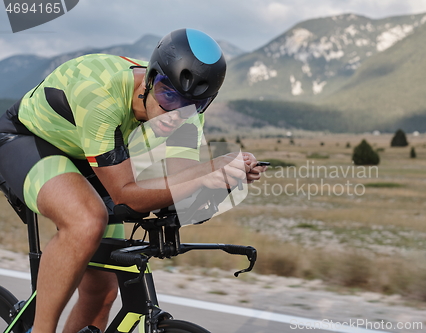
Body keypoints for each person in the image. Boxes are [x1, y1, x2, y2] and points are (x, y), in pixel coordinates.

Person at [0, 29, 266, 333]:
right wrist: (210, 169)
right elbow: (127, 196)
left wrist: (226, 178)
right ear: (150, 79)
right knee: (87, 221)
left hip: (85, 152)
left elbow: (178, 184)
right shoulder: (100, 95)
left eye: (193, 105)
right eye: (168, 94)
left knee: (102, 291)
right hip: (25, 139)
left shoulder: (187, 111)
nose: (176, 113)